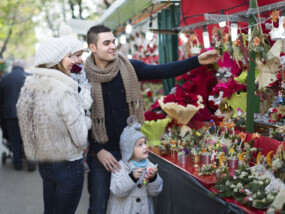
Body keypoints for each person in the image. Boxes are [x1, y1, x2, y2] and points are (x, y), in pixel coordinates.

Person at [84, 24, 219, 214]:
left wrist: (197, 60)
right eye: (106, 43)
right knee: (97, 206)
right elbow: (82, 118)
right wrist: (98, 150)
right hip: (101, 154)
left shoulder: (128, 67)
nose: (113, 46)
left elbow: (164, 70)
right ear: (93, 48)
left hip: (128, 152)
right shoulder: (82, 77)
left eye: (113, 41)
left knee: (128, 203)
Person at [16, 37, 90, 214]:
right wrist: (87, 120)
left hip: (45, 164)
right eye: (68, 56)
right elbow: (80, 139)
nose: (72, 61)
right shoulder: (64, 90)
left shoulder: (29, 86)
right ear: (56, 60)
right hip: (68, 165)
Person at [108, 117, 163, 214]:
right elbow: (117, 191)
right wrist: (131, 178)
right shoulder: (120, 167)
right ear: (128, 150)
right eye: (140, 145)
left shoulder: (149, 165)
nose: (145, 147)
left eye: (145, 143)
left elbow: (155, 192)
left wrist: (153, 178)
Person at [59, 23, 93, 172]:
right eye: (77, 55)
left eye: (81, 55)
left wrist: (85, 89)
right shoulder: (62, 75)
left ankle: (82, 158)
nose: (81, 59)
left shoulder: (79, 70)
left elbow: (85, 82)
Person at [0, 60, 28, 170]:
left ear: (13, 67)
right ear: (22, 67)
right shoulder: (27, 77)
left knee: (14, 140)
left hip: (9, 115)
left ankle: (17, 164)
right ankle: (30, 163)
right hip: (25, 114)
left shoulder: (5, 78)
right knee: (26, 139)